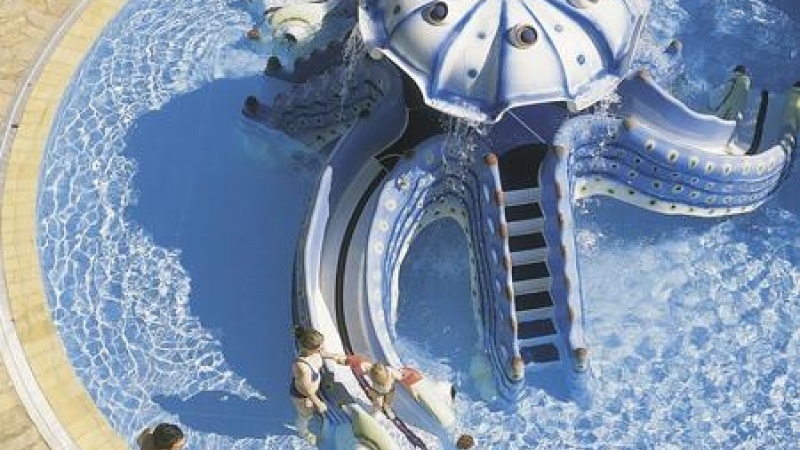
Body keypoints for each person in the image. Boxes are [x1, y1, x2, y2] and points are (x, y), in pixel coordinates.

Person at [290, 326, 348, 445]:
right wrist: (317, 402)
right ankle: (303, 432)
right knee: (306, 415)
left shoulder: (313, 352)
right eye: (319, 347)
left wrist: (336, 356)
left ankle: (313, 410)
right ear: (310, 350)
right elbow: (304, 388)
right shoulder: (302, 366)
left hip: (312, 389)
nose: (322, 348)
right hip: (302, 396)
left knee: (312, 409)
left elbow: (322, 354)